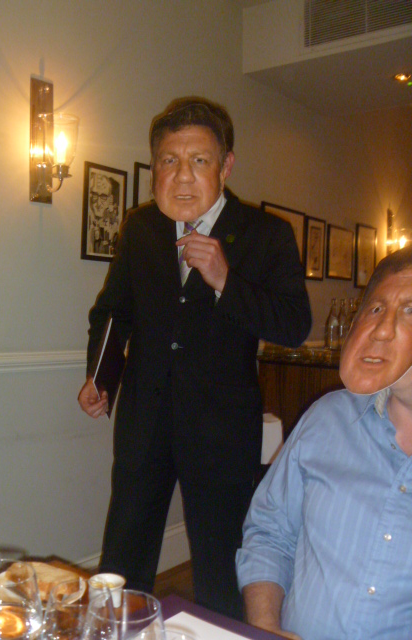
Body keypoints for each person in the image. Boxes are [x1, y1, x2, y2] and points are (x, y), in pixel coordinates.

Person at [78, 97, 311, 619]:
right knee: (123, 555)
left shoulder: (267, 234)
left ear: (225, 166)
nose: (182, 175)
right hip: (144, 421)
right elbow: (114, 312)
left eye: (199, 160)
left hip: (222, 429)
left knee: (220, 565)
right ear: (155, 167)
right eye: (169, 160)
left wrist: (226, 280)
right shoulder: (141, 228)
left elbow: (294, 325)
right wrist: (101, 375)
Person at [236, 244, 412, 639]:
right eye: (376, 309)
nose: (383, 329)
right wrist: (264, 627)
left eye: (411, 310)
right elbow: (269, 532)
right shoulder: (326, 419)